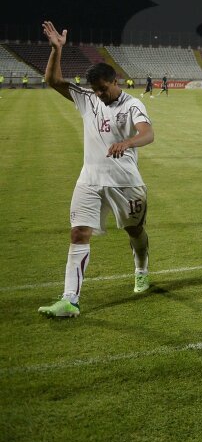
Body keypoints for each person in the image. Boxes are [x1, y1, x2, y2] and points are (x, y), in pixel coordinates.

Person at [38, 21, 155, 317]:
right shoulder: (88, 98)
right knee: (78, 233)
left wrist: (127, 142)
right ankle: (69, 300)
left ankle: (141, 269)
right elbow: (53, 80)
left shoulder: (133, 105)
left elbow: (148, 134)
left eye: (103, 89)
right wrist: (57, 50)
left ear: (114, 82)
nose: (99, 95)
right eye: (96, 91)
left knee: (134, 229)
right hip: (89, 179)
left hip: (124, 182)